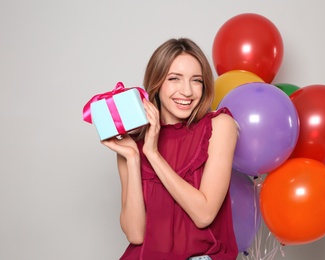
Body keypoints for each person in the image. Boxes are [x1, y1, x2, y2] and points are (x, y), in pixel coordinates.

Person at [102, 38, 239, 259]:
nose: (187, 91)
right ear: (157, 83)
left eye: (196, 80)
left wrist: (153, 154)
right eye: (174, 79)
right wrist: (133, 158)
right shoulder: (132, 144)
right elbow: (135, 235)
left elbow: (204, 215)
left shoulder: (219, 126)